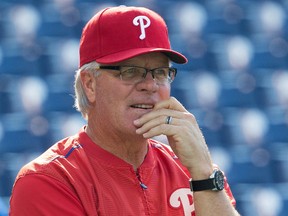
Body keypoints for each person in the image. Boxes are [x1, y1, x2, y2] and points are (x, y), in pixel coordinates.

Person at [9, 6, 240, 216]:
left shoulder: (196, 172)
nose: (150, 85)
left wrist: (203, 175)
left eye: (160, 72)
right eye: (130, 71)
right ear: (90, 84)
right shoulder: (49, 180)